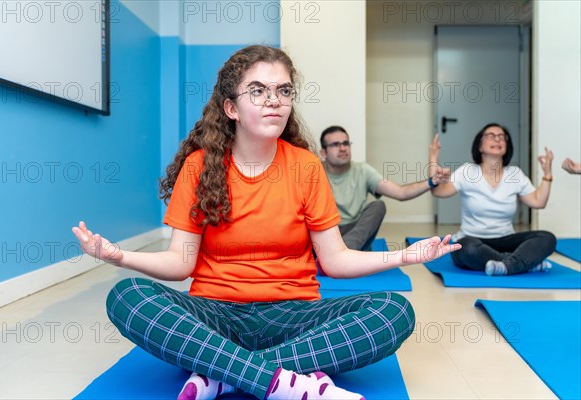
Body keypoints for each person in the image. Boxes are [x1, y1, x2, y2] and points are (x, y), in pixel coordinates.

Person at [72, 45, 460, 400]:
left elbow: (336, 260)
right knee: (127, 297)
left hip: (293, 313)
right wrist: (117, 256)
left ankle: (222, 374)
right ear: (231, 108)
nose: (274, 100)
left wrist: (403, 257)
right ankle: (283, 381)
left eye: (284, 91)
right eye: (257, 91)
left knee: (394, 312)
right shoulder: (199, 167)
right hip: (215, 313)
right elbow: (180, 264)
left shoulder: (306, 166)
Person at [429, 124, 556, 276]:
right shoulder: (467, 171)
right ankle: (521, 263)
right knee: (467, 250)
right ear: (480, 146)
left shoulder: (514, 174)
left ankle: (506, 265)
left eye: (502, 137)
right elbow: (438, 191)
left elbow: (538, 202)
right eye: (491, 136)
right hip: (473, 240)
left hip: (506, 241)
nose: (497, 139)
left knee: (547, 238)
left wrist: (547, 173)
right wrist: (433, 157)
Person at [320, 126, 449, 251]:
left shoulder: (362, 170)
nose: (342, 148)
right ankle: (342, 253)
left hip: (356, 231)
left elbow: (401, 193)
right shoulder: (315, 172)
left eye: (346, 143)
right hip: (328, 230)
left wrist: (432, 181)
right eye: (335, 145)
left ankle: (344, 252)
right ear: (324, 152)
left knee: (378, 206)